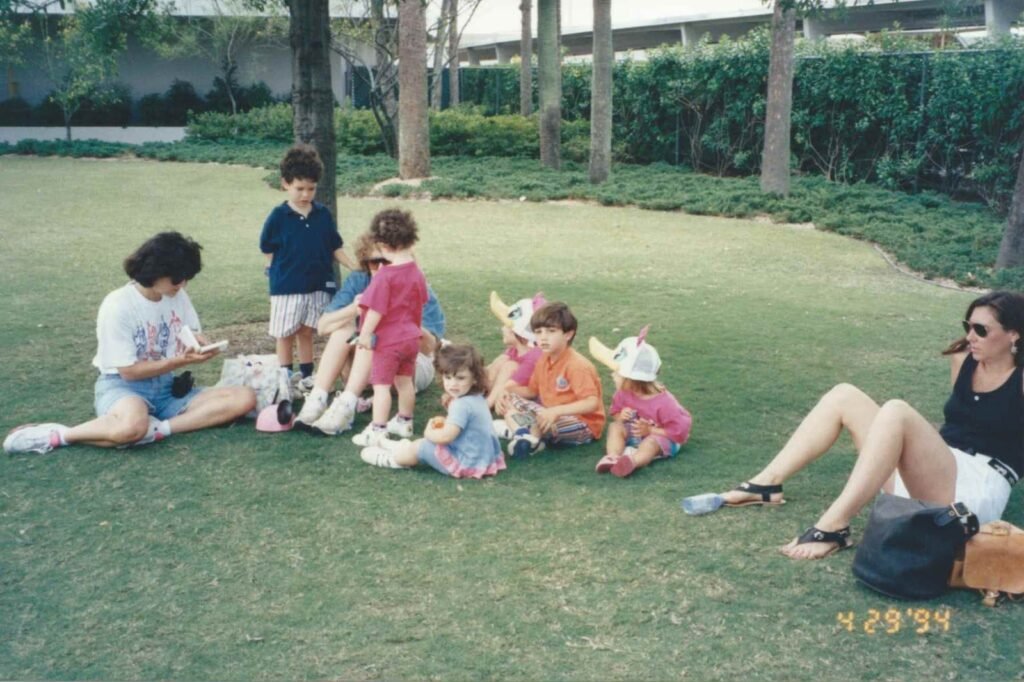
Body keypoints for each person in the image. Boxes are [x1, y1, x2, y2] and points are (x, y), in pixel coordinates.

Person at [718, 290, 1024, 560]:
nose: (970, 336)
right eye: (967, 326)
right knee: (844, 395)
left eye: (981, 330)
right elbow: (963, 418)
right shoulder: (963, 359)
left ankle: (833, 526)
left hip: (977, 487)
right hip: (938, 468)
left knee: (896, 411)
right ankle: (767, 484)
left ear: (1013, 334)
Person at [3, 232, 256, 455]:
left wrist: (199, 343)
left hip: (167, 388)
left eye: (186, 279)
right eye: (177, 279)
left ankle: (158, 430)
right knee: (131, 427)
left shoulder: (176, 295)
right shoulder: (119, 305)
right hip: (123, 387)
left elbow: (189, 331)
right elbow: (129, 372)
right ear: (156, 273)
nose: (182, 285)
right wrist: (178, 361)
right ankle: (60, 435)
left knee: (243, 398)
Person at [293, 232, 445, 433]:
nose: (381, 268)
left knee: (378, 334)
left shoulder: (415, 282)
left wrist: (397, 317)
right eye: (374, 263)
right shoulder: (360, 280)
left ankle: (346, 406)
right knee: (344, 328)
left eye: (387, 262)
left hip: (410, 365)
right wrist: (354, 309)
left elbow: (430, 347)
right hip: (369, 369)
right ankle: (317, 399)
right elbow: (323, 327)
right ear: (365, 264)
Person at [260, 144, 356, 393]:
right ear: (285, 184)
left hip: (317, 285)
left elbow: (334, 246)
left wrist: (354, 266)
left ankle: (306, 377)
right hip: (286, 287)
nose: (305, 194)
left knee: (306, 331)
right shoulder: (278, 216)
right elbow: (267, 247)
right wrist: (273, 269)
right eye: (299, 188)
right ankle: (284, 379)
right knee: (284, 333)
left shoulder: (323, 215)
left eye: (311, 189)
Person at [360, 344, 506, 478]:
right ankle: (402, 447)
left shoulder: (461, 405)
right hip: (482, 457)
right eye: (448, 377)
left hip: (466, 462)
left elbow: (445, 437)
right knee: (424, 444)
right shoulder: (477, 397)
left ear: (474, 379)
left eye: (460, 378)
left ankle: (393, 460)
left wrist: (429, 433)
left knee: (422, 446)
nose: (453, 384)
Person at [349, 209, 429, 448]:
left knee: (381, 386)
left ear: (382, 244)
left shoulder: (385, 276)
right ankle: (405, 421)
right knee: (404, 382)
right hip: (411, 338)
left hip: (388, 341)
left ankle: (378, 430)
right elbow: (421, 302)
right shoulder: (417, 273)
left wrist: (364, 334)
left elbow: (376, 310)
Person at [497, 302, 605, 459]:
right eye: (538, 332)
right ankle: (524, 435)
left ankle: (520, 432)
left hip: (582, 422)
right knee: (511, 400)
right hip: (549, 412)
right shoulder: (543, 359)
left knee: (540, 422)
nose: (543, 337)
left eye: (551, 331)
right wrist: (506, 392)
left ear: (568, 335)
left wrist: (556, 411)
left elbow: (591, 403)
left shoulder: (577, 365)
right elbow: (531, 391)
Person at [589, 327, 692, 478]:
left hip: (661, 437)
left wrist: (651, 431)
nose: (612, 375)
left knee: (650, 443)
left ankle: (633, 462)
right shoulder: (623, 393)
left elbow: (680, 433)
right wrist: (620, 416)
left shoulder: (665, 403)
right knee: (615, 427)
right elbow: (615, 414)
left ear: (632, 380)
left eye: (617, 373)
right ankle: (613, 457)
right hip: (635, 434)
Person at [486, 291, 545, 411]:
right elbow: (490, 369)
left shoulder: (534, 356)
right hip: (506, 390)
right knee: (503, 359)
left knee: (509, 366)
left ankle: (486, 405)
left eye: (507, 326)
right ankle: (475, 391)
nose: (503, 328)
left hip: (528, 396)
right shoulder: (514, 350)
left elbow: (521, 388)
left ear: (519, 333)